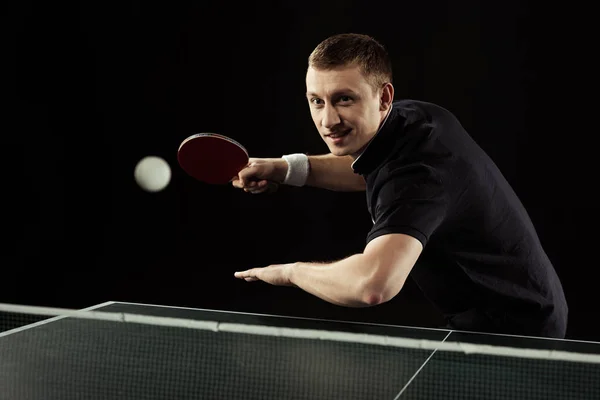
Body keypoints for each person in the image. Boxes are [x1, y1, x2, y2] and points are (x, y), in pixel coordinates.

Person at [232, 33, 568, 338]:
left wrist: (289, 273)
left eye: (344, 99)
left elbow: (373, 284)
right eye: (316, 101)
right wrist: (284, 168)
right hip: (502, 313)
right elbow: (369, 169)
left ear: (383, 97)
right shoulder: (413, 119)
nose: (327, 120)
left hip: (514, 334)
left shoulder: (420, 174)